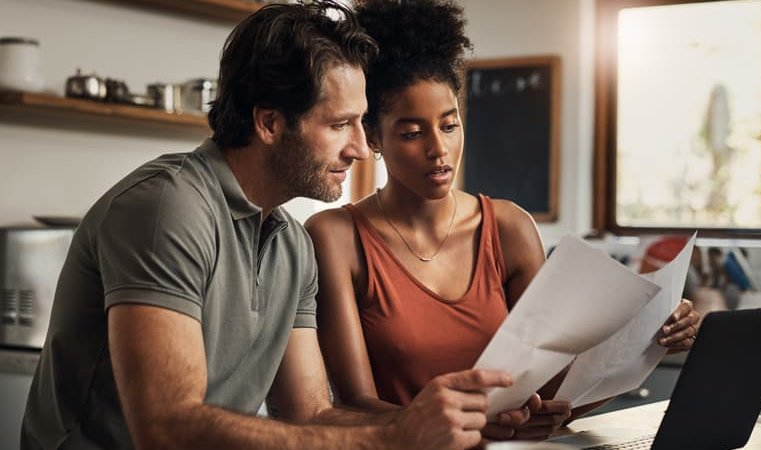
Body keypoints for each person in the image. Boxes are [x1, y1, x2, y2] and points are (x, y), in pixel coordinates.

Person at [20, 2, 514, 449]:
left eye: (361, 124)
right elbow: (167, 427)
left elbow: (310, 413)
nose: (361, 149)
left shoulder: (292, 245)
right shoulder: (167, 208)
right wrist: (391, 439)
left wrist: (443, 422)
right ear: (270, 123)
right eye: (339, 125)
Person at [305, 0, 700, 442]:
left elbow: (555, 390)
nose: (438, 150)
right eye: (412, 133)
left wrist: (650, 340)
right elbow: (354, 404)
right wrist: (472, 425)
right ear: (372, 136)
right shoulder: (336, 237)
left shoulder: (509, 228)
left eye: (449, 125)